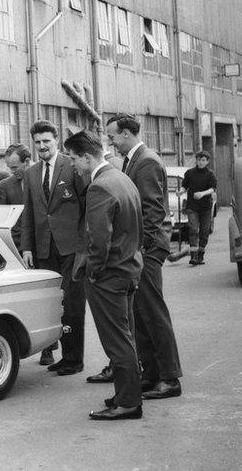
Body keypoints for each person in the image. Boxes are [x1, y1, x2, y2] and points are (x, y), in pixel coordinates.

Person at [65, 131, 144, 420]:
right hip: (129, 269)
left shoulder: (99, 187)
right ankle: (126, 394)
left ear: (87, 157)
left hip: (108, 276)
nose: (72, 165)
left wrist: (95, 273)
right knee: (126, 336)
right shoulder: (123, 179)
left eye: (74, 159)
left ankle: (129, 402)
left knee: (117, 341)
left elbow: (98, 239)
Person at [103, 114, 182, 399]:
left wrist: (143, 248)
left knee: (152, 313)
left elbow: (152, 211)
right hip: (142, 248)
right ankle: (151, 375)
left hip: (146, 248)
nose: (111, 143)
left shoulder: (146, 161)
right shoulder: (135, 159)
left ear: (126, 134)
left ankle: (170, 378)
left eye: (113, 137)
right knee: (141, 313)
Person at [19, 120, 86, 373]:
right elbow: (29, 214)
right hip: (44, 249)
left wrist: (83, 244)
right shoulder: (31, 173)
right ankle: (60, 355)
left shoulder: (71, 166)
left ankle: (74, 359)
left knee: (71, 305)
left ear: (56, 140)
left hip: (71, 249)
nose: (42, 146)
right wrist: (27, 248)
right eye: (37, 142)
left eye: (46, 141)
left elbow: (85, 206)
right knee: (51, 305)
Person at [181, 150, 217, 266]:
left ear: (207, 162)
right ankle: (193, 256)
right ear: (196, 160)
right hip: (192, 206)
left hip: (205, 207)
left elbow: (212, 189)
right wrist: (180, 192)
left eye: (203, 160)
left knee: (204, 231)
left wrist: (202, 194)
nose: (200, 162)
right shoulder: (190, 173)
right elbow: (184, 186)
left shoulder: (210, 174)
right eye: (199, 160)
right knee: (193, 229)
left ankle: (201, 255)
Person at [0, 143, 31, 249]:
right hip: (17, 245)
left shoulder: (43, 177)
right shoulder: (5, 185)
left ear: (27, 162)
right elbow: (3, 219)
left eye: (15, 167)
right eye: (9, 168)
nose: (11, 172)